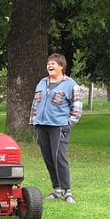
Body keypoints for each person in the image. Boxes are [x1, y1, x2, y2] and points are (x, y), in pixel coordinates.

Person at [30, 53, 82, 204]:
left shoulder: (70, 84)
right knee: (48, 158)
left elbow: (77, 108)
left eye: (53, 63)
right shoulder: (42, 83)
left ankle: (68, 191)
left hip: (58, 126)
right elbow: (35, 104)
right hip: (41, 126)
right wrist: (34, 121)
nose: (50, 65)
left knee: (59, 158)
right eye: (48, 63)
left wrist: (68, 123)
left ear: (61, 66)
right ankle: (57, 189)